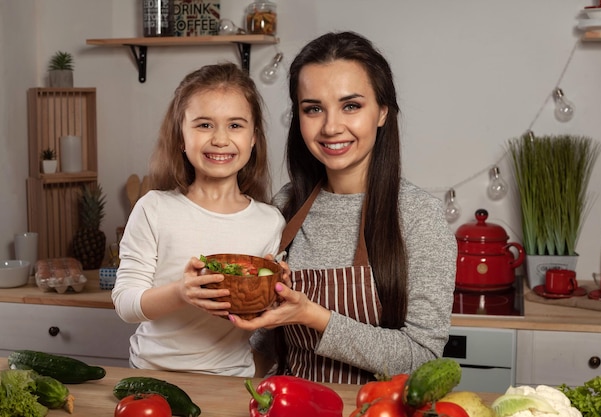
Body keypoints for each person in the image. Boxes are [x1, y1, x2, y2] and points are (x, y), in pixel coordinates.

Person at [231, 31, 457, 384]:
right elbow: (267, 341)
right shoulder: (286, 205)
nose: (331, 127)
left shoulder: (417, 216)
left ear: (382, 111)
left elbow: (423, 359)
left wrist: (314, 317)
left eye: (351, 105)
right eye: (313, 109)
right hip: (289, 406)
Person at [111, 63, 286, 377]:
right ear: (181, 135)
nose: (220, 139)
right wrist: (182, 292)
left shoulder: (270, 221)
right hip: (152, 374)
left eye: (235, 125)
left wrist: (275, 294)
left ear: (254, 138)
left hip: (233, 379)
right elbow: (125, 303)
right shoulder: (153, 208)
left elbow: (265, 320)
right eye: (204, 125)